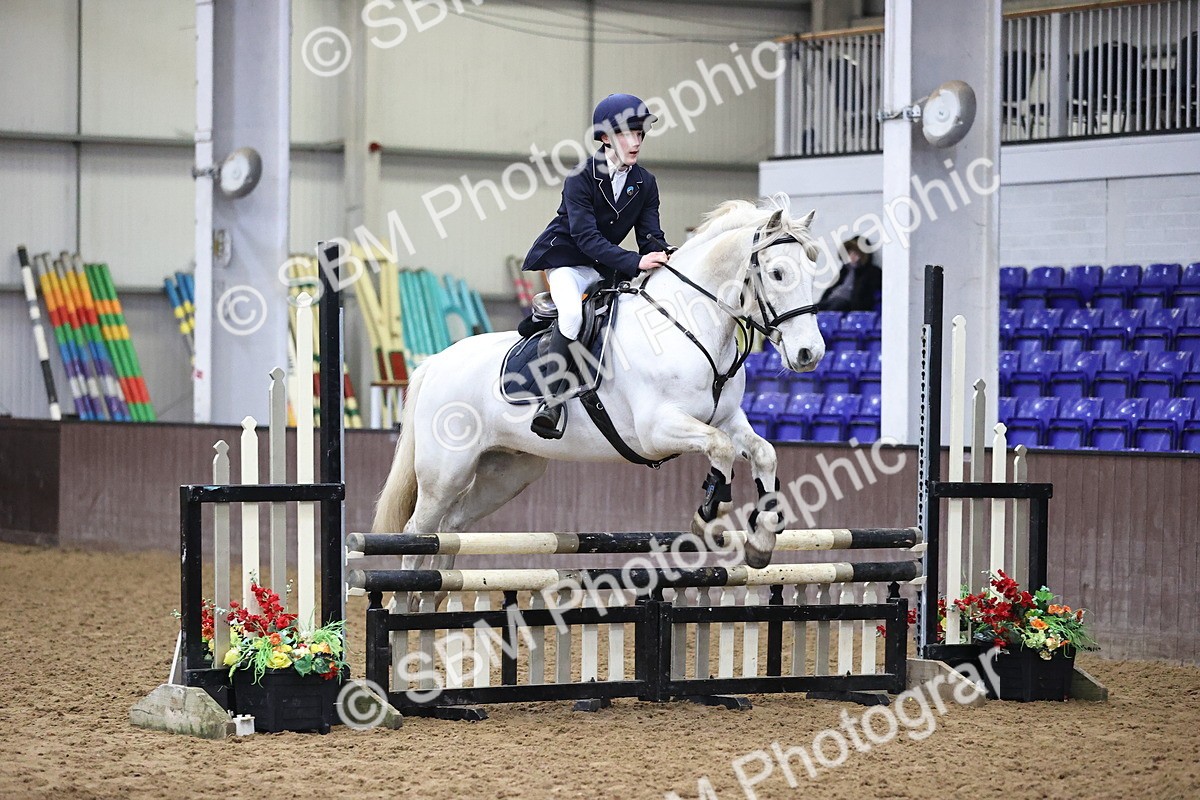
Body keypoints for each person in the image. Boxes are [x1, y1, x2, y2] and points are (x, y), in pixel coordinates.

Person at [521, 93, 672, 439]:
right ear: (605, 137)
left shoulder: (645, 183)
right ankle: (551, 401)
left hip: (604, 267)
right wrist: (636, 261)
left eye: (639, 134)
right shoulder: (581, 178)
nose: (635, 142)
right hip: (567, 262)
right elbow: (586, 239)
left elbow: (650, 237)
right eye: (625, 134)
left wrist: (665, 255)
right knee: (572, 315)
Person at [818, 236, 881, 312]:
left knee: (832, 311)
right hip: (832, 300)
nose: (852, 256)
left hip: (845, 304)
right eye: (850, 253)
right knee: (811, 310)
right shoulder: (845, 270)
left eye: (856, 253)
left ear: (863, 255)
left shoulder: (872, 272)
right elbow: (832, 288)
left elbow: (866, 298)